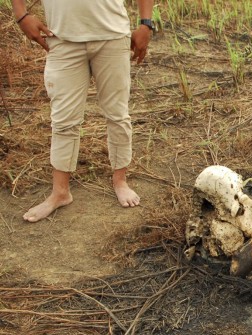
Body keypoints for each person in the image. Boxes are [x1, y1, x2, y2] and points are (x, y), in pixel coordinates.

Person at [11, 0, 155, 222]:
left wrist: (146, 24)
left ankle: (120, 181)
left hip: (112, 35)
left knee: (117, 114)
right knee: (63, 118)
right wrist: (21, 14)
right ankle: (60, 192)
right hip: (61, 38)